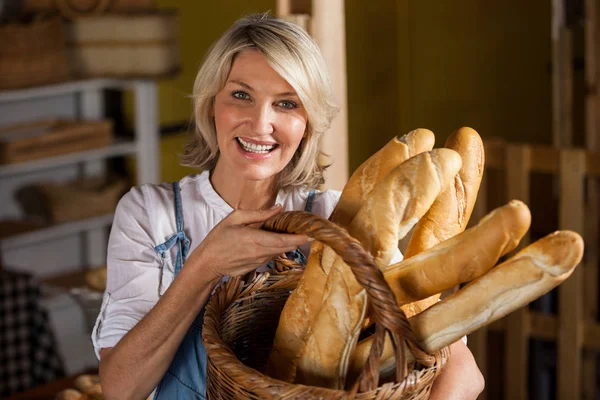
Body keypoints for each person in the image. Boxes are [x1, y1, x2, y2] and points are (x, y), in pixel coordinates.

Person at [93, 12, 484, 400]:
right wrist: (205, 266)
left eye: (286, 104)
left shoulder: (338, 220)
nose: (260, 124)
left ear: (308, 122)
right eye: (241, 95)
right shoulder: (152, 215)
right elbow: (120, 388)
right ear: (212, 104)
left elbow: (463, 370)